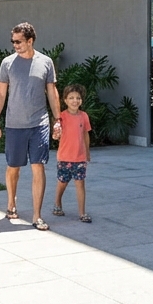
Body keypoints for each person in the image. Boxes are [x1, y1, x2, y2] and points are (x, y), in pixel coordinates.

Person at [0, 22, 62, 231]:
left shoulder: (46, 62)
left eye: (19, 41)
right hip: (14, 125)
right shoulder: (7, 64)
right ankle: (11, 203)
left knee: (38, 166)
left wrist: (58, 120)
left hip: (39, 124)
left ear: (30, 41)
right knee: (13, 167)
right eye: (13, 41)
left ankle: (37, 215)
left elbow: (52, 92)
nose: (15, 45)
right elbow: (1, 94)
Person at [52, 83, 93, 223]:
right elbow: (56, 135)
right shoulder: (62, 117)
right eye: (71, 98)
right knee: (62, 182)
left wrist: (87, 152)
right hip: (64, 157)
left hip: (80, 157)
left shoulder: (84, 116)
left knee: (80, 183)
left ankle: (82, 213)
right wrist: (55, 133)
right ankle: (57, 203)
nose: (75, 100)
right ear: (65, 100)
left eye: (78, 98)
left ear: (81, 100)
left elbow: (86, 135)